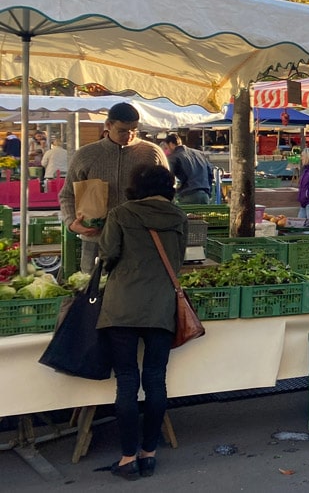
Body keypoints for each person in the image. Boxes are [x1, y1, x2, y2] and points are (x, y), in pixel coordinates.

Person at [97, 164, 188, 480]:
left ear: (136, 186)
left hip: (121, 304)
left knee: (126, 379)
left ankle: (127, 458)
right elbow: (178, 260)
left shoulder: (121, 214)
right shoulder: (178, 217)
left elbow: (107, 255)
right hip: (161, 305)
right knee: (155, 378)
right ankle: (148, 454)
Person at [60, 103, 169, 274]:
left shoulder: (152, 153)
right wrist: (71, 224)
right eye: (123, 130)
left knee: (135, 288)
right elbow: (67, 195)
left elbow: (167, 195)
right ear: (108, 125)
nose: (129, 135)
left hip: (140, 239)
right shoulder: (85, 155)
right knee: (93, 288)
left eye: (134, 130)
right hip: (95, 239)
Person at [161, 134, 213, 204]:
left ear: (171, 144)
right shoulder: (200, 154)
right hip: (205, 195)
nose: (168, 151)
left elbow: (168, 178)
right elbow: (210, 173)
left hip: (188, 195)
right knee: (202, 215)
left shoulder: (174, 157)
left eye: (167, 147)